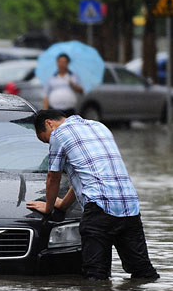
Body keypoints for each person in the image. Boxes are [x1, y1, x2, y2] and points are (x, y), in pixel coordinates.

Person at [26, 109, 158, 281]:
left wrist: (49, 206)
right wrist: (63, 204)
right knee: (143, 272)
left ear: (48, 123)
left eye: (46, 139)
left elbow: (53, 177)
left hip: (99, 210)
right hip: (129, 206)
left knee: (95, 277)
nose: (49, 143)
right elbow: (88, 176)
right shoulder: (99, 127)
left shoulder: (59, 134)